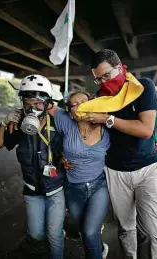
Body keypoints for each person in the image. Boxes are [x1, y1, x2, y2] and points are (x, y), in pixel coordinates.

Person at [73, 49, 157, 259]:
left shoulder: (142, 87)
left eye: (107, 76)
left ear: (121, 68)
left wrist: (108, 119)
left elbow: (146, 130)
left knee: (150, 230)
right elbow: (85, 135)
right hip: (115, 171)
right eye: (98, 79)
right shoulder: (100, 102)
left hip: (147, 169)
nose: (103, 83)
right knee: (125, 228)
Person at [0, 75, 66, 259]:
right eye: (28, 101)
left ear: (48, 102)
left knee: (54, 235)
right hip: (32, 191)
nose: (33, 106)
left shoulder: (58, 123)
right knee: (36, 234)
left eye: (39, 102)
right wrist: (3, 123)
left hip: (55, 189)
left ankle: (58, 239)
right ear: (22, 102)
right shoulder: (17, 125)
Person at [47, 91, 110, 259]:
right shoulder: (66, 122)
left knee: (89, 232)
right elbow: (43, 103)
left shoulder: (105, 124)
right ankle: (100, 249)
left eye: (84, 101)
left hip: (98, 186)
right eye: (74, 104)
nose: (80, 106)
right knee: (86, 232)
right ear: (70, 112)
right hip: (73, 189)